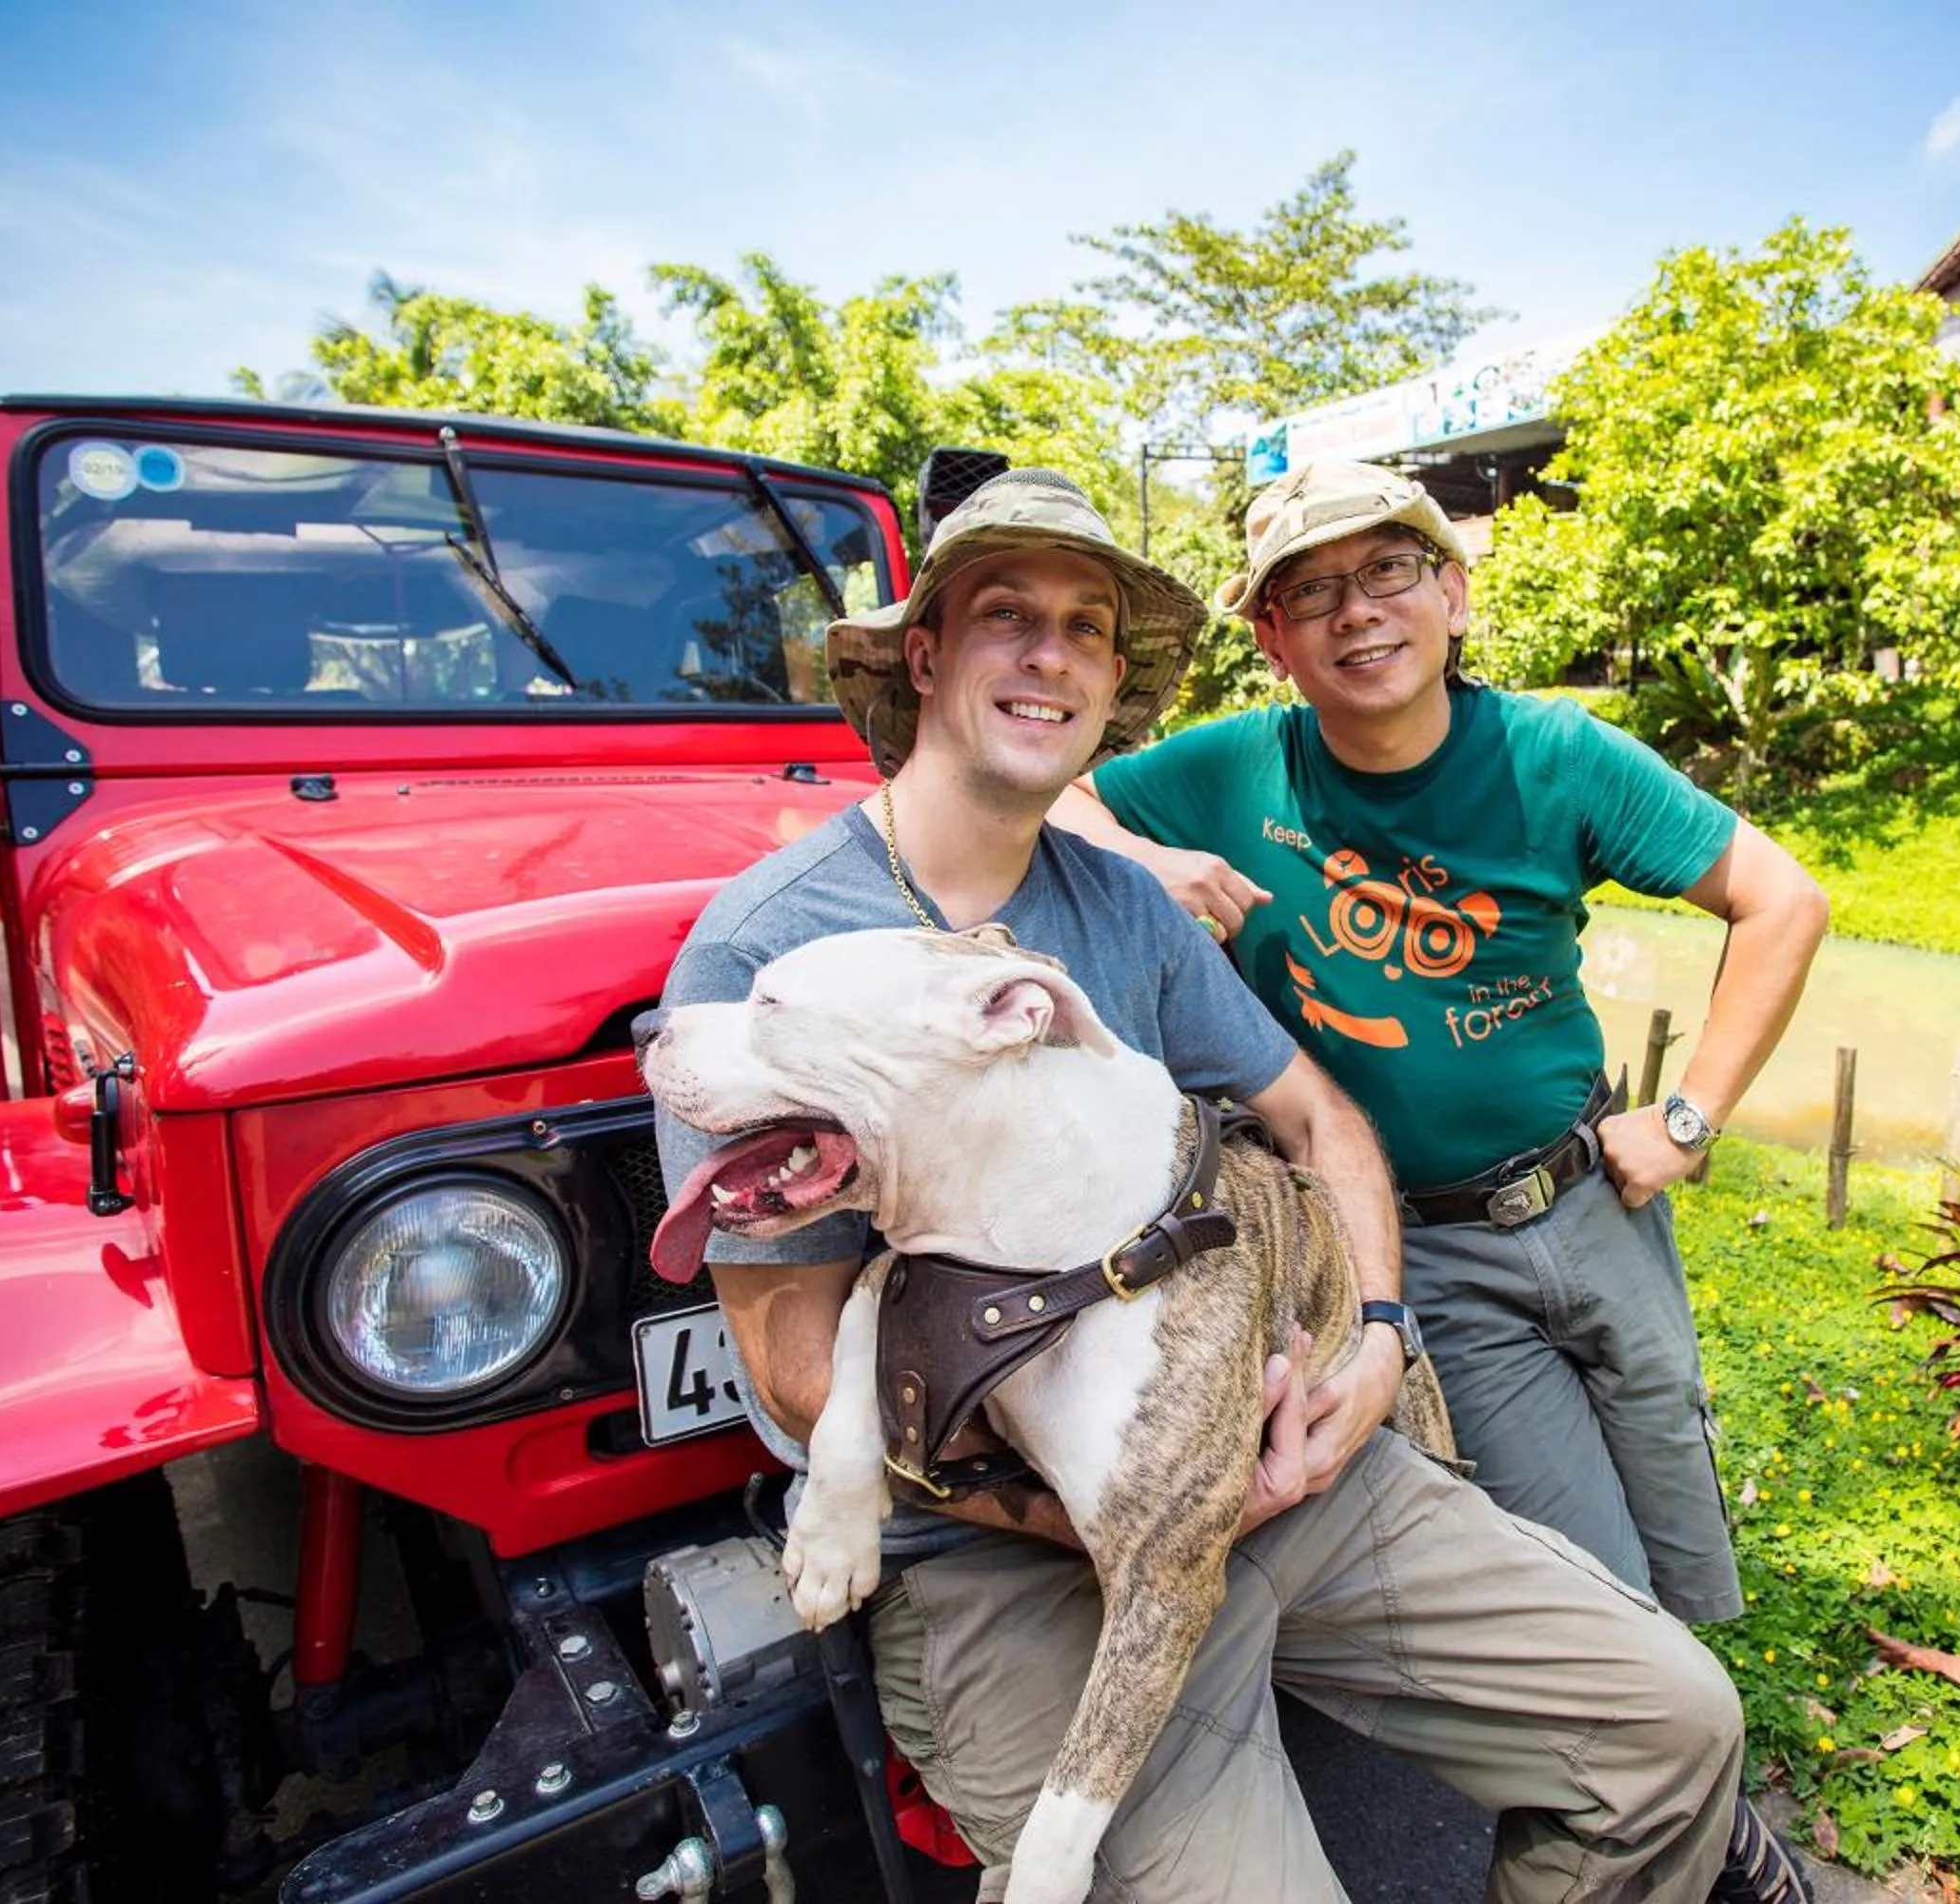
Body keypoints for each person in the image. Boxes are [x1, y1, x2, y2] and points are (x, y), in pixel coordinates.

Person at [657, 468, 1809, 1902]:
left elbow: (1322, 1119)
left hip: (1281, 1450)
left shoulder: (1121, 907)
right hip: (1011, 1545)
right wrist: (1143, 1507)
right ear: (927, 655)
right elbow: (792, 1364)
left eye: (1088, 629)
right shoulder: (783, 962)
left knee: (1672, 1722)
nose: (1052, 655)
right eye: (1007, 615)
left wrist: (1381, 1342)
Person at [1056, 461, 1829, 1624]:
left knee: (1681, 1493)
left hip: (1594, 1197)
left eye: (1386, 571)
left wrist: (1688, 1117)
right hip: (1427, 1244)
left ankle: (1705, 1746)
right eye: (1312, 593)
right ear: (1272, 636)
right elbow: (1053, 791)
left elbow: (1782, 899)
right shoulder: (1233, 768)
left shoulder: (1555, 754)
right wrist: (1150, 861)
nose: (1356, 611)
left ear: (1453, 595)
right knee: (1591, 1583)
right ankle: (1630, 1732)